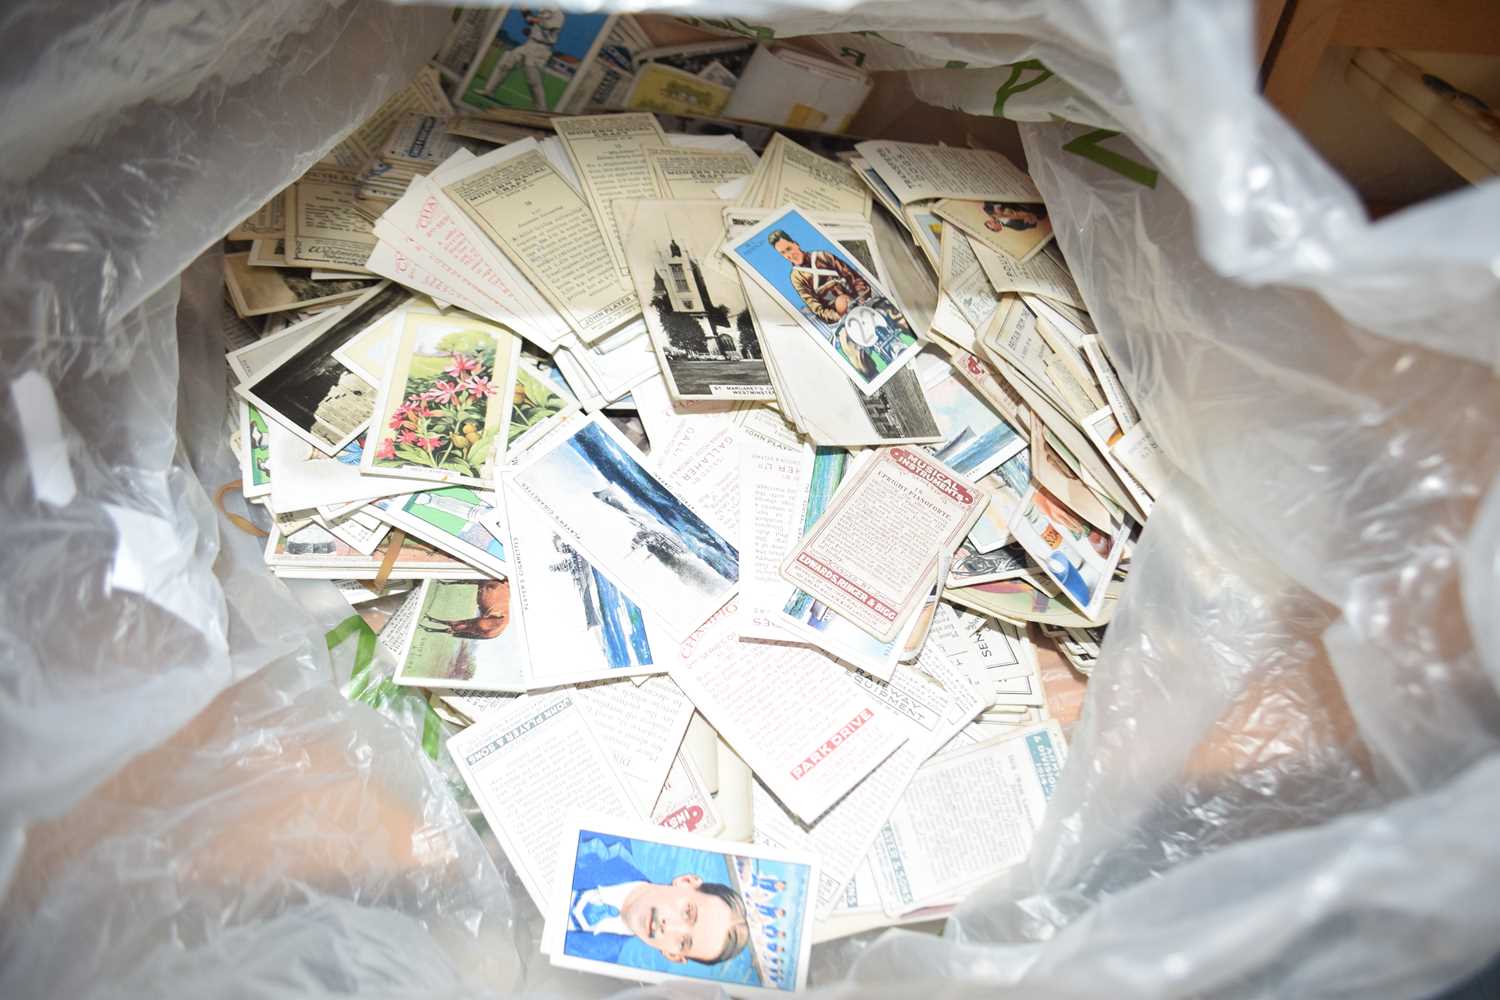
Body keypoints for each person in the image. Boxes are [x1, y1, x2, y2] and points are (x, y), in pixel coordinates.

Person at [564, 833, 751, 969]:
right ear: (685, 882)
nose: (668, 928)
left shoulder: (595, 968)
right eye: (687, 913)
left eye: (683, 942)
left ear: (673, 955)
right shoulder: (600, 838)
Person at [766, 229, 913, 379]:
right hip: (841, 318)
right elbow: (816, 307)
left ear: (796, 244)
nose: (789, 255)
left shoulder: (823, 256)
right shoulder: (797, 277)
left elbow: (853, 277)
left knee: (893, 313)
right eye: (783, 253)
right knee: (851, 350)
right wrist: (838, 315)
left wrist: (861, 297)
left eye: (789, 249)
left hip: (861, 303)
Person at [482, 8, 565, 109]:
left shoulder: (559, 14)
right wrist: (525, 13)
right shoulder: (545, 8)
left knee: (532, 80)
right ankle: (489, 91)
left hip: (541, 49)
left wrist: (531, 17)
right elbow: (532, 23)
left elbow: (546, 25)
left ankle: (541, 109)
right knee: (505, 64)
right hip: (530, 43)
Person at [982, 201, 1047, 233]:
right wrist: (1006, 216)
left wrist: (997, 206)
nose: (991, 221)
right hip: (1034, 205)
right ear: (998, 229)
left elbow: (988, 201)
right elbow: (1032, 217)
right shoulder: (1017, 227)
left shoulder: (989, 210)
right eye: (991, 225)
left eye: (989, 222)